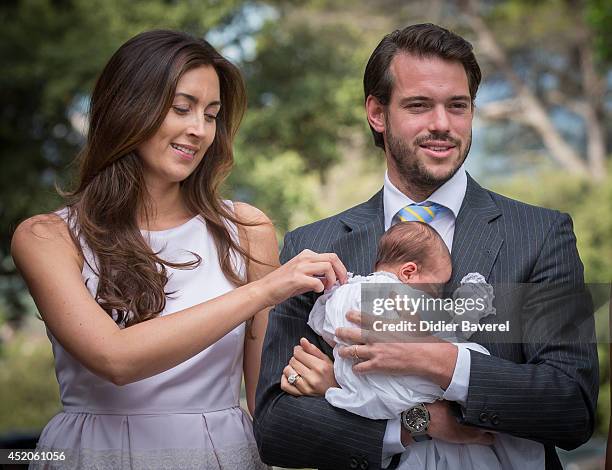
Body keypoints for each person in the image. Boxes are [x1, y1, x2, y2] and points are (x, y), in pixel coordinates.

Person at [254, 23, 598, 470]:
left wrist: (439, 361)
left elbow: (571, 407)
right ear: (377, 113)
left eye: (458, 106)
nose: (442, 125)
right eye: (419, 105)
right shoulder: (313, 246)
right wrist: (417, 423)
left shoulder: (540, 235)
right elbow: (277, 427)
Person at [11, 30, 347, 470]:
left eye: (211, 115)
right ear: (128, 107)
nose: (200, 130)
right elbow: (116, 359)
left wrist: (334, 373)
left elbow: (270, 399)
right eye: (182, 108)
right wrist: (264, 290)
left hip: (221, 455)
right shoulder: (48, 237)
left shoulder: (246, 229)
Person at [305, 221, 544, 470]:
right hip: (407, 387)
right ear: (409, 273)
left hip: (362, 392)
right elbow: (447, 327)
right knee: (474, 358)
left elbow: (323, 326)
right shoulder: (402, 296)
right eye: (436, 287)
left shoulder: (343, 293)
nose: (436, 295)